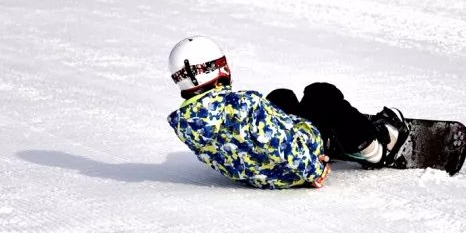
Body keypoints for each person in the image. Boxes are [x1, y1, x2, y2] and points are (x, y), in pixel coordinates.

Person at [166, 36, 410, 190]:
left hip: (261, 175)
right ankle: (376, 148)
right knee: (320, 94)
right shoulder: (242, 104)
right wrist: (313, 169)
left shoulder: (188, 124)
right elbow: (277, 142)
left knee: (280, 97)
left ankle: (334, 140)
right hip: (299, 159)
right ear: (217, 69)